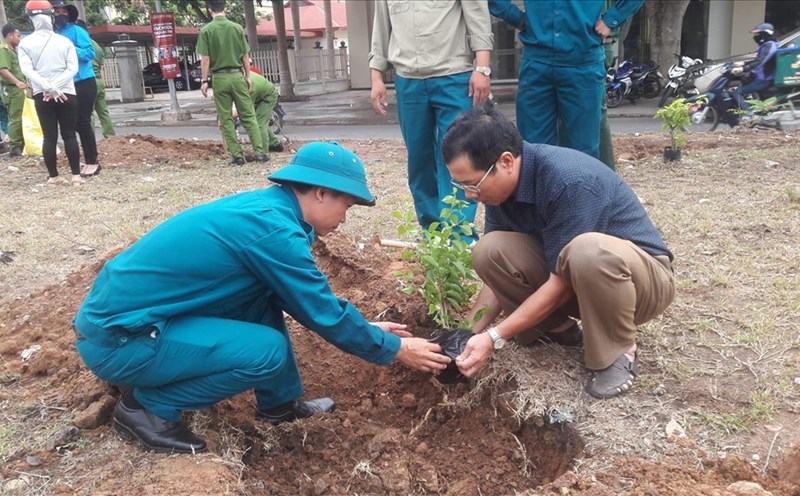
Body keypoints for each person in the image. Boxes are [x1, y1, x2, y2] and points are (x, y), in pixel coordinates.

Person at [73, 141, 451, 454]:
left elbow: (303, 301)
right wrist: (394, 349)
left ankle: (279, 407)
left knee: (261, 296)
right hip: (120, 340)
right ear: (320, 193)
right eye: (347, 205)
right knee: (265, 351)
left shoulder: (268, 213)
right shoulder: (274, 232)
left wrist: (365, 329)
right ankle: (145, 408)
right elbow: (322, 311)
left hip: (130, 325)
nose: (346, 218)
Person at [441, 104, 675, 399]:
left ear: (506, 162)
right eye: (460, 184)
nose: (467, 194)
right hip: (581, 284)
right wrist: (467, 333)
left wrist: (495, 336)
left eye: (471, 183)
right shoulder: (499, 193)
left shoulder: (568, 180)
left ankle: (617, 352)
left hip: (640, 285)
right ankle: (554, 329)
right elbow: (497, 273)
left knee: (586, 250)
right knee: (489, 249)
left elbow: (561, 283)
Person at [369, 0, 493, 238]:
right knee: (419, 158)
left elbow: (477, 15)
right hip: (408, 80)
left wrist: (482, 68)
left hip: (454, 76)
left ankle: (458, 235)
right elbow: (381, 28)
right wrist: (376, 76)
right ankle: (432, 232)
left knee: (459, 154)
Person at [489, 0, 642, 160]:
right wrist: (516, 18)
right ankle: (538, 184)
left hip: (582, 60)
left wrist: (611, 20)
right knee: (532, 151)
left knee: (583, 153)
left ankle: (580, 185)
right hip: (537, 60)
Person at [18, 0, 84, 185]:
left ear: (31, 18)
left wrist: (48, 87)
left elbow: (27, 70)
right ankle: (76, 176)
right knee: (70, 134)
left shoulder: (25, 43)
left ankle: (53, 176)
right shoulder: (64, 41)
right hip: (67, 93)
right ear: (51, 15)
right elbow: (72, 68)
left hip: (43, 94)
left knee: (49, 136)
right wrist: (57, 86)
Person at [197, 0, 267, 166]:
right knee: (249, 115)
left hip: (219, 78)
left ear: (209, 11)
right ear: (225, 9)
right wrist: (248, 76)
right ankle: (260, 153)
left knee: (226, 118)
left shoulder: (206, 30)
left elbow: (205, 58)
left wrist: (204, 80)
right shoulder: (236, 28)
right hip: (237, 76)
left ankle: (237, 156)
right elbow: (245, 55)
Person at [49, 0, 100, 177]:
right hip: (65, 84)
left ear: (69, 14)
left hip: (83, 81)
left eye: (63, 11)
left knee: (83, 122)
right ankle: (84, 160)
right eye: (56, 11)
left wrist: (70, 50)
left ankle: (93, 161)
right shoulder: (54, 34)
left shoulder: (77, 31)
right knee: (72, 125)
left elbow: (89, 53)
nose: (60, 14)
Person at [76, 19, 115, 139]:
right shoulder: (96, 45)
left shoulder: (80, 46)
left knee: (88, 113)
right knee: (103, 111)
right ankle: (110, 136)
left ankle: (89, 138)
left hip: (87, 81)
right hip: (99, 81)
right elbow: (102, 68)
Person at [733, 23, 779, 110]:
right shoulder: (766, 45)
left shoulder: (770, 46)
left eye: (757, 34)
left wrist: (744, 68)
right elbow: (757, 60)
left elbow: (760, 61)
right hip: (761, 77)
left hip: (765, 79)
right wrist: (743, 63)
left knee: (736, 92)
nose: (755, 36)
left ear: (765, 34)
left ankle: (749, 115)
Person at [0, 24, 28, 157]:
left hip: (18, 88)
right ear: (10, 36)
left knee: (22, 115)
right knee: (16, 117)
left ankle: (22, 143)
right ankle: (15, 147)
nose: (20, 38)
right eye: (18, 36)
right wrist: (17, 82)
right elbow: (3, 69)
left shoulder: (13, 51)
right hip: (12, 89)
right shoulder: (3, 50)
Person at [249, 70, 283, 153]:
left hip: (268, 96)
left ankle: (262, 152)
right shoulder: (240, 75)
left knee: (259, 124)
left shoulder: (250, 85)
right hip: (259, 95)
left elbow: (246, 109)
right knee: (259, 121)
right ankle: (275, 144)